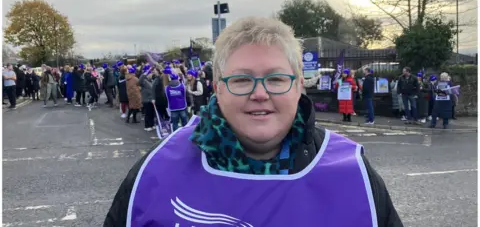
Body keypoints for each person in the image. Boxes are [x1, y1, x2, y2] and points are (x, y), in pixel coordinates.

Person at [104, 16, 403, 227]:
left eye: (275, 78)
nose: (260, 94)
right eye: (242, 79)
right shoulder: (155, 172)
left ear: (299, 85)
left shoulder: (352, 173)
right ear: (218, 87)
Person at [139, 65, 155, 131]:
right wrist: (145, 73)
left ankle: (152, 124)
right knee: (148, 113)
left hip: (151, 99)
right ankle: (147, 126)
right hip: (146, 100)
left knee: (152, 113)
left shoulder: (151, 80)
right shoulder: (144, 81)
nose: (151, 74)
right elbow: (140, 81)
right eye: (150, 73)